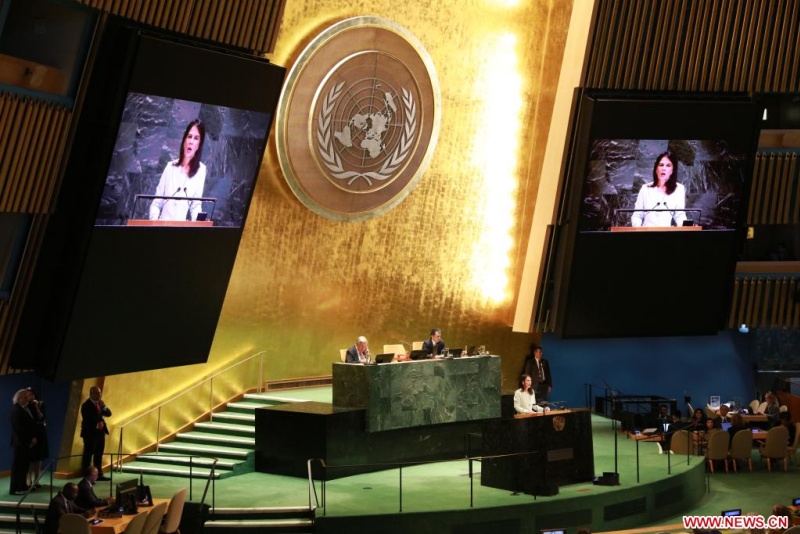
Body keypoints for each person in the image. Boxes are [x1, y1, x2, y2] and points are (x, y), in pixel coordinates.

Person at [149, 119, 207, 222]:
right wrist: (155, 222)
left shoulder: (201, 170)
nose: (191, 141)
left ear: (199, 145)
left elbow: (195, 206)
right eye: (189, 136)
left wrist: (199, 224)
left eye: (196, 138)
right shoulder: (170, 167)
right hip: (161, 229)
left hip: (181, 232)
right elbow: (156, 203)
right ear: (184, 140)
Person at [631, 151, 687, 227]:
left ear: (672, 171)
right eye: (661, 165)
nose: (664, 168)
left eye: (668, 165)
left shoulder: (679, 189)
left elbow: (679, 215)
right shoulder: (645, 189)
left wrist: (686, 227)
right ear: (656, 169)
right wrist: (639, 229)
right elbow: (637, 215)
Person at [9, 389, 38, 495]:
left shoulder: (22, 409)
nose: (27, 399)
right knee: (18, 467)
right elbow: (19, 429)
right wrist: (30, 440)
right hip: (20, 443)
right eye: (25, 397)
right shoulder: (16, 410)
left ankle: (22, 486)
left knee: (24, 466)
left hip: (24, 443)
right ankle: (16, 489)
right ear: (19, 399)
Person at [80, 386, 112, 481]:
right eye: (97, 393)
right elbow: (88, 418)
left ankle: (99, 475)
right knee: (88, 455)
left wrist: (104, 406)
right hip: (90, 434)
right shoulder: (86, 405)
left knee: (99, 454)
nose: (99, 395)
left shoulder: (100, 404)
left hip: (100, 433)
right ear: (91, 394)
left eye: (100, 393)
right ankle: (86, 477)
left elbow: (109, 414)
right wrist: (100, 418)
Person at [26, 388, 48, 489]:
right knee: (30, 458)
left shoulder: (40, 404)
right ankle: (28, 480)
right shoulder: (25, 406)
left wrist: (36, 407)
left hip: (40, 432)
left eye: (32, 395)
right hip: (30, 433)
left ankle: (37, 480)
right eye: (28, 395)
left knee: (39, 457)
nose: (30, 397)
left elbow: (42, 418)